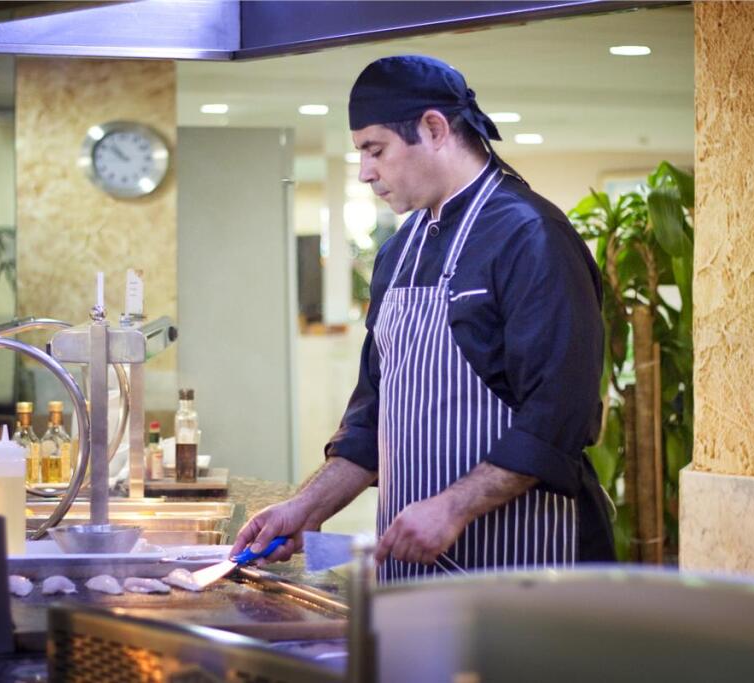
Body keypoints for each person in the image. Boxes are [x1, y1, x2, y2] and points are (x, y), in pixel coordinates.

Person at [231, 55, 615, 582]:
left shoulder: (531, 236)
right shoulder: (399, 250)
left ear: (434, 129)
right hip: (417, 572)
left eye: (376, 150)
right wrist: (306, 507)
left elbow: (557, 416)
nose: (365, 171)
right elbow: (371, 416)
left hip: (529, 565)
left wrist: (452, 508)